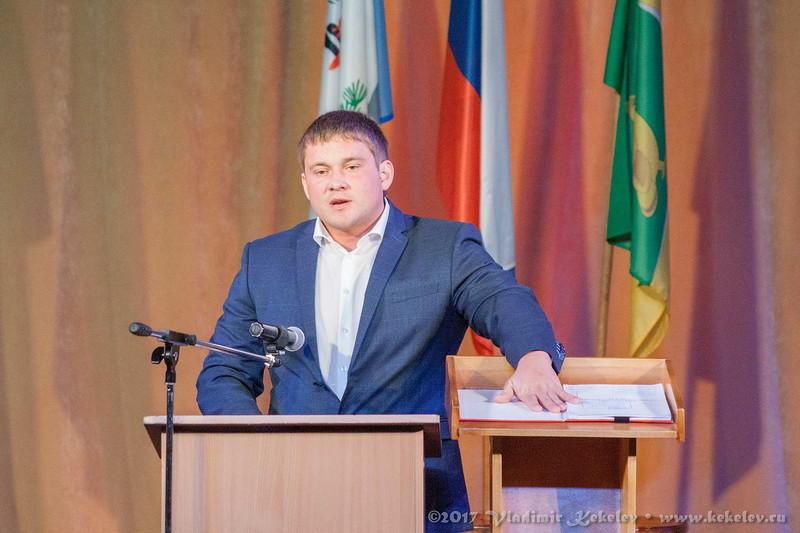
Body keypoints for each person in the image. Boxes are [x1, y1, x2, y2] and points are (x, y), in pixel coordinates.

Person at [196, 110, 577, 532]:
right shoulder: (265, 259)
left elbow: (503, 299)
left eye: (351, 166)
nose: (335, 182)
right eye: (320, 171)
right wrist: (256, 446)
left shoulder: (443, 247)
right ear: (306, 184)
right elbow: (224, 371)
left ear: (384, 173)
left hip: (413, 485)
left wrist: (534, 358)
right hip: (291, 489)